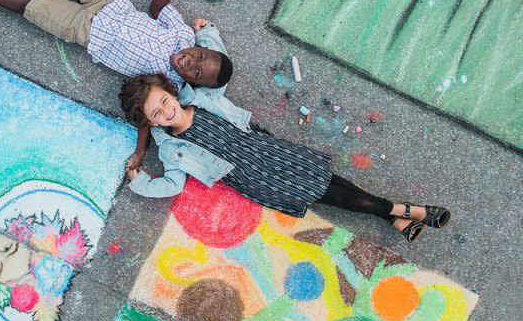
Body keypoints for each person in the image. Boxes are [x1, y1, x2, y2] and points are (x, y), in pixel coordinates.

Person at [0, 0, 234, 169]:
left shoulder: (168, 83)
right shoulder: (182, 35)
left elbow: (148, 113)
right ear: (200, 47)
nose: (189, 62)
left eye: (196, 72)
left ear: (192, 82)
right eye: (199, 56)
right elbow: (157, 7)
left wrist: (140, 152)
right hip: (107, 1)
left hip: (86, 33)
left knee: (31, 8)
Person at [119, 74, 452, 243]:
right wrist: (141, 182)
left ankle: (391, 218)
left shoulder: (199, 97)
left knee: (332, 182)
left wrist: (205, 32)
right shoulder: (171, 149)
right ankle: (407, 210)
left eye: (163, 99)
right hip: (256, 177)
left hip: (269, 149)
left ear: (170, 91)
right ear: (151, 123)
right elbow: (172, 184)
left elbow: (217, 68)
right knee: (331, 196)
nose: (166, 110)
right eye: (156, 113)